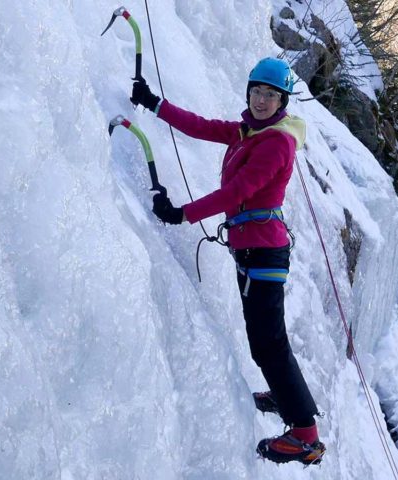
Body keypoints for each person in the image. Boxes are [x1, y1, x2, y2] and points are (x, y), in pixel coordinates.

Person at [129, 57, 325, 465]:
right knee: (268, 342)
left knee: (268, 343)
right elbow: (201, 126)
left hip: (262, 253)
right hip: (254, 250)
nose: (262, 100)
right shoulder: (248, 131)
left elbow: (237, 192)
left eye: (271, 95)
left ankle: (306, 435)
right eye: (257, 91)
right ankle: (282, 393)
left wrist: (181, 213)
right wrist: (154, 104)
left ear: (283, 100)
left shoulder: (275, 143)